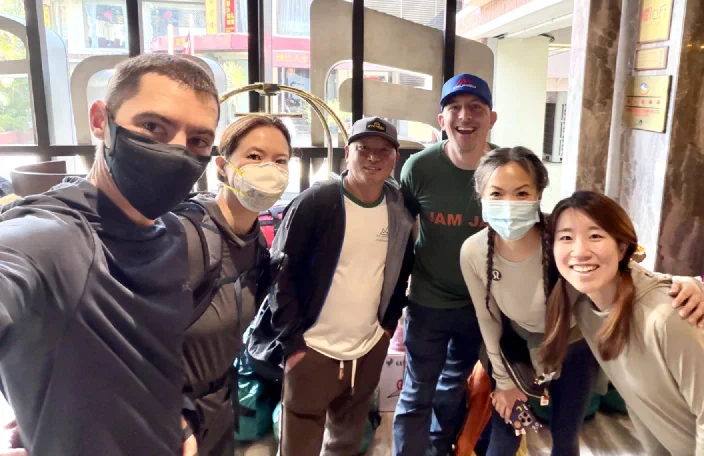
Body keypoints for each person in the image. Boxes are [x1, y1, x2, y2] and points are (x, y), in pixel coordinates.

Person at [0, 54, 220, 455]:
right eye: (153, 127)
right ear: (101, 121)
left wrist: (178, 422)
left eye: (197, 141)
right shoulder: (53, 239)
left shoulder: (173, 236)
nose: (175, 151)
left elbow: (154, 361)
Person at [461, 147, 704, 455]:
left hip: (575, 347)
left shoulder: (562, 237)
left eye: (522, 193)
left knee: (565, 436)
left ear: (538, 194)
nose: (509, 204)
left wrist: (685, 283)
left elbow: (621, 266)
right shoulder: (473, 252)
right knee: (507, 433)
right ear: (480, 195)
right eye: (496, 194)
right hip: (517, 355)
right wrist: (503, 381)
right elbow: (489, 320)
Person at [542, 191, 704, 455]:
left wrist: (690, 284)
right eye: (566, 237)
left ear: (621, 248)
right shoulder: (586, 311)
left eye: (595, 235)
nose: (580, 251)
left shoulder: (669, 317)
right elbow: (640, 404)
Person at [269, 116, 415, 455]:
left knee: (347, 441)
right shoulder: (317, 202)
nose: (373, 157)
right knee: (299, 443)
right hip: (312, 349)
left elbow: (401, 269)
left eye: (384, 151)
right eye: (364, 148)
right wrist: (293, 344)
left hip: (367, 348)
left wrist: (385, 329)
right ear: (347, 152)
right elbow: (280, 274)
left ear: (394, 158)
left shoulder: (397, 210)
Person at [393, 73, 500, 456]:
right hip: (428, 300)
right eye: (454, 107)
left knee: (453, 390)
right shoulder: (419, 168)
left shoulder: (506, 170)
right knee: (417, 391)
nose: (464, 116)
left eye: (475, 107)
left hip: (481, 306)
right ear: (442, 120)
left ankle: (440, 449)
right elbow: (399, 235)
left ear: (491, 118)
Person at [179, 114, 291, 456]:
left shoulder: (255, 246)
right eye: (254, 157)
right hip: (168, 415)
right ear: (222, 167)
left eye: (280, 160)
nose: (268, 169)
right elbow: (128, 339)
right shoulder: (186, 237)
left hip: (219, 408)